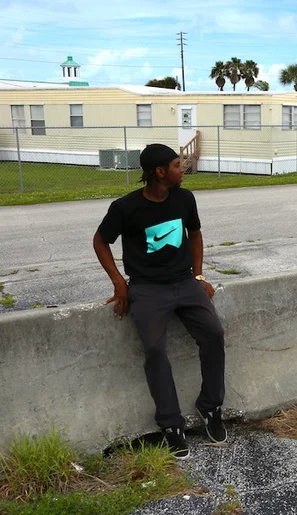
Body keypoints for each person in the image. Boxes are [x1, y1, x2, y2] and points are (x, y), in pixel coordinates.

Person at [93, 143, 227, 460]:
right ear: (160, 172)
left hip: (184, 282)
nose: (184, 170)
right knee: (154, 349)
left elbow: (195, 235)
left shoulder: (184, 198)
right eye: (178, 166)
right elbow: (100, 241)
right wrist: (119, 283)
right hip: (147, 288)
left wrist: (198, 276)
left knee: (214, 334)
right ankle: (171, 425)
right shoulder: (126, 208)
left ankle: (210, 406)